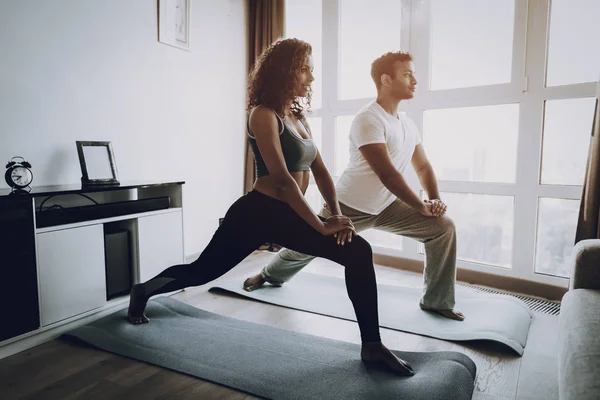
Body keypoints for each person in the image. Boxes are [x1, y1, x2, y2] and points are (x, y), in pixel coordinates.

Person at [126, 39, 414, 376]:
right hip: (257, 213)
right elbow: (281, 181)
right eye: (305, 69)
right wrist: (321, 226)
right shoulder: (262, 115)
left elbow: (320, 170)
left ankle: (372, 347)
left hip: (287, 213)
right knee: (202, 272)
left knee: (357, 251)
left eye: (311, 70)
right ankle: (142, 291)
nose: (311, 77)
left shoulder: (297, 115)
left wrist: (336, 214)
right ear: (285, 71)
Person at [244, 51, 464, 321]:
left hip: (388, 205)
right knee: (305, 247)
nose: (414, 80)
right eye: (407, 74)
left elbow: (423, 167)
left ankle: (436, 300)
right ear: (386, 80)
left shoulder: (407, 123)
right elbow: (388, 175)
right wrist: (420, 205)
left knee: (443, 228)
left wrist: (434, 201)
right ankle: (268, 274)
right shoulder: (368, 119)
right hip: (350, 205)